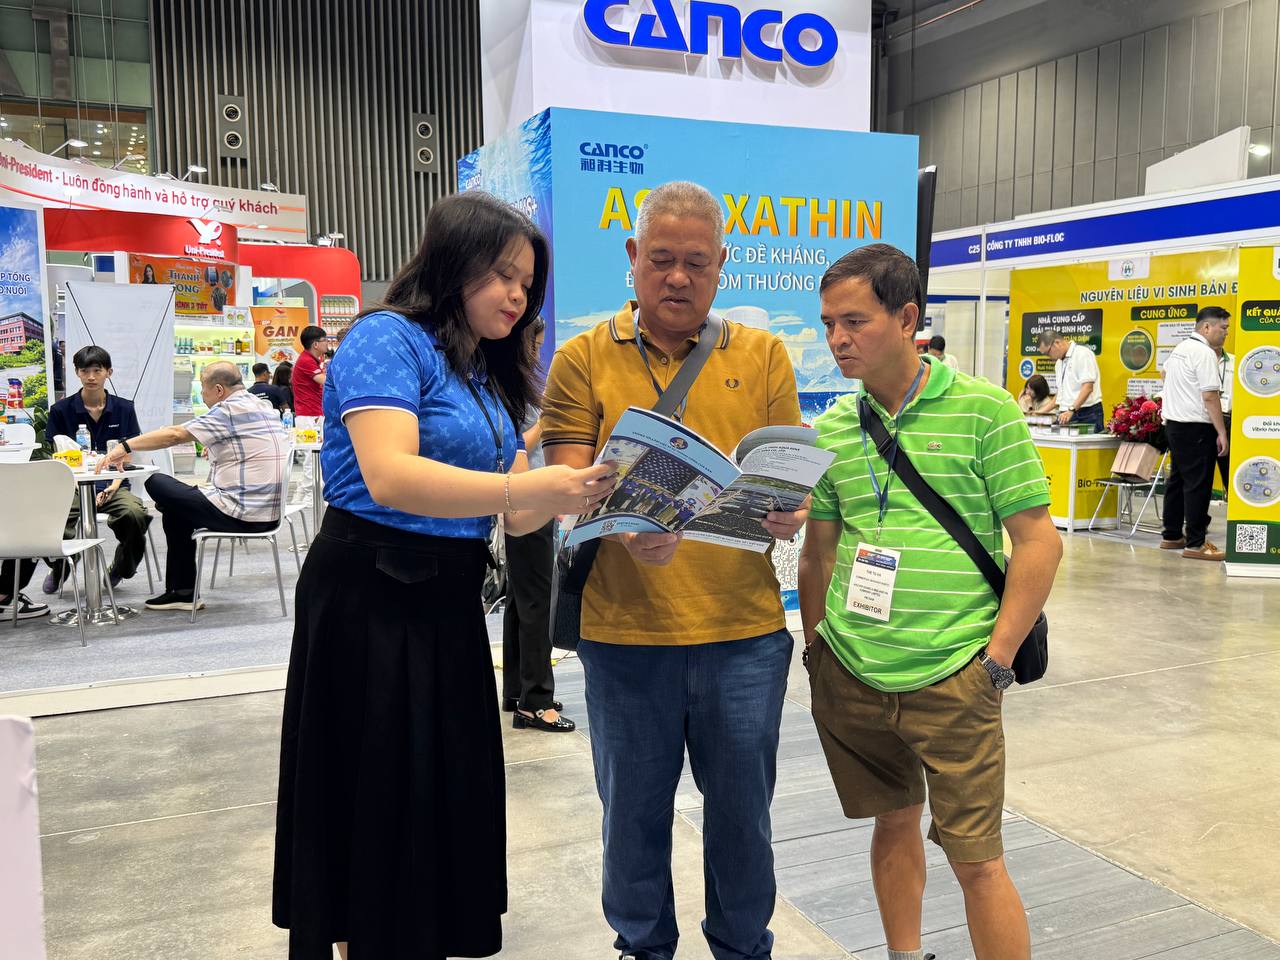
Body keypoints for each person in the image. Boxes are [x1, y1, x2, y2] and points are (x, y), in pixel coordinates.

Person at [271, 191, 615, 960]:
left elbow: (515, 516)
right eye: (503, 275)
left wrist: (585, 490)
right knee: (375, 795)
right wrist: (523, 491)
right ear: (454, 264)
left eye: (527, 283)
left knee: (435, 793)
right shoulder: (386, 338)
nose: (518, 296)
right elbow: (389, 475)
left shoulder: (485, 369)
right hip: (370, 594)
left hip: (449, 601)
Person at [541, 180, 809, 960]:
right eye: (661, 259)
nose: (679, 278)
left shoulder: (762, 353)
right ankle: (640, 946)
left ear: (723, 262)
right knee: (631, 817)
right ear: (632, 256)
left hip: (744, 634)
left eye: (697, 261)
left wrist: (789, 512)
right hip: (624, 636)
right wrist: (626, 529)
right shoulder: (582, 357)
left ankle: (744, 948)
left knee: (743, 821)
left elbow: (785, 473)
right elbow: (566, 487)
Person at [798, 243, 1062, 960]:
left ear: (908, 318)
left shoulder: (984, 410)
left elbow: (1037, 542)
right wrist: (818, 649)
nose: (838, 339)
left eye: (854, 321)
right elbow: (819, 552)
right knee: (891, 823)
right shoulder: (832, 429)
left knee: (977, 860)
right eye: (828, 324)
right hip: (853, 671)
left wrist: (996, 660)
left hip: (955, 672)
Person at [95, 361, 288, 610]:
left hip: (243, 513)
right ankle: (182, 593)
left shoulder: (227, 410)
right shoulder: (261, 405)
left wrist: (124, 446)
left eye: (203, 389)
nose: (202, 395)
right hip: (268, 512)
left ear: (218, 390)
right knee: (176, 509)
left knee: (156, 482)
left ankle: (183, 591)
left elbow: (175, 435)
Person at [501, 316, 571, 732]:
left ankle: (518, 690)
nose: (537, 352)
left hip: (529, 499)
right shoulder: (511, 387)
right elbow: (513, 446)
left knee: (522, 599)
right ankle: (537, 702)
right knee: (536, 602)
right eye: (534, 343)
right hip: (529, 501)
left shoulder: (515, 383)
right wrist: (547, 422)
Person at [43, 345, 151, 592]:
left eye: (97, 370)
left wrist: (113, 486)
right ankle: (62, 566)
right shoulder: (61, 410)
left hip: (113, 484)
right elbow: (56, 456)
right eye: (85, 371)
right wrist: (78, 486)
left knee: (135, 515)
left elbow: (128, 453)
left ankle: (121, 568)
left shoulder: (124, 408)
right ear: (77, 373)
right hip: (72, 487)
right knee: (50, 521)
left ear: (108, 372)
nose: (91, 377)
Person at [1159, 307, 1231, 561]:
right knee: (1198, 484)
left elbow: (1164, 374)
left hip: (1175, 425)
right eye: (1223, 328)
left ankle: (1171, 535)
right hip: (1196, 427)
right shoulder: (1204, 353)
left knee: (1177, 481)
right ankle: (1196, 543)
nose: (1226, 333)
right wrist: (1221, 432)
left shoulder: (1180, 349)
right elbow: (1210, 396)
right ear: (1207, 327)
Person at [1037, 329, 1103, 431]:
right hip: (1066, 414)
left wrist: (1071, 410)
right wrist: (1039, 413)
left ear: (1056, 343)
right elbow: (1060, 395)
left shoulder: (1082, 354)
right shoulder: (1059, 363)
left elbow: (1088, 387)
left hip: (1086, 413)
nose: (1049, 357)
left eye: (1048, 353)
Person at [292, 326, 327, 508]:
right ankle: (310, 496)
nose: (327, 343)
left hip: (312, 414)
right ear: (315, 344)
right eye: (324, 340)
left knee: (313, 455)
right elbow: (325, 381)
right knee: (311, 456)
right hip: (308, 416)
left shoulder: (314, 359)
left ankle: (302, 494)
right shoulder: (306, 361)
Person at [1216, 341, 1235, 491]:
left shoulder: (1235, 361)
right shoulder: (1199, 359)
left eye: (1225, 330)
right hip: (1204, 419)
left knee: (1228, 469)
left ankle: (1230, 497)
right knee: (1201, 471)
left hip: (1229, 418)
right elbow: (1165, 372)